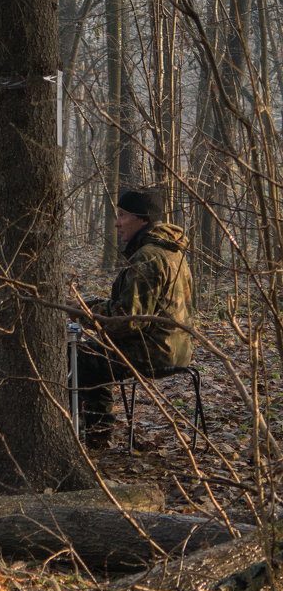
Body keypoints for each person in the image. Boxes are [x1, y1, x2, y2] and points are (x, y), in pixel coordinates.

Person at [75, 188, 193, 448]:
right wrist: (91, 306)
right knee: (89, 354)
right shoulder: (171, 251)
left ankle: (96, 437)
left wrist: (84, 314)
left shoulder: (148, 256)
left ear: (143, 219)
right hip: (176, 347)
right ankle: (96, 433)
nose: (116, 222)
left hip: (154, 350)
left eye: (122, 215)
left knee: (77, 358)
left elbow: (128, 321)